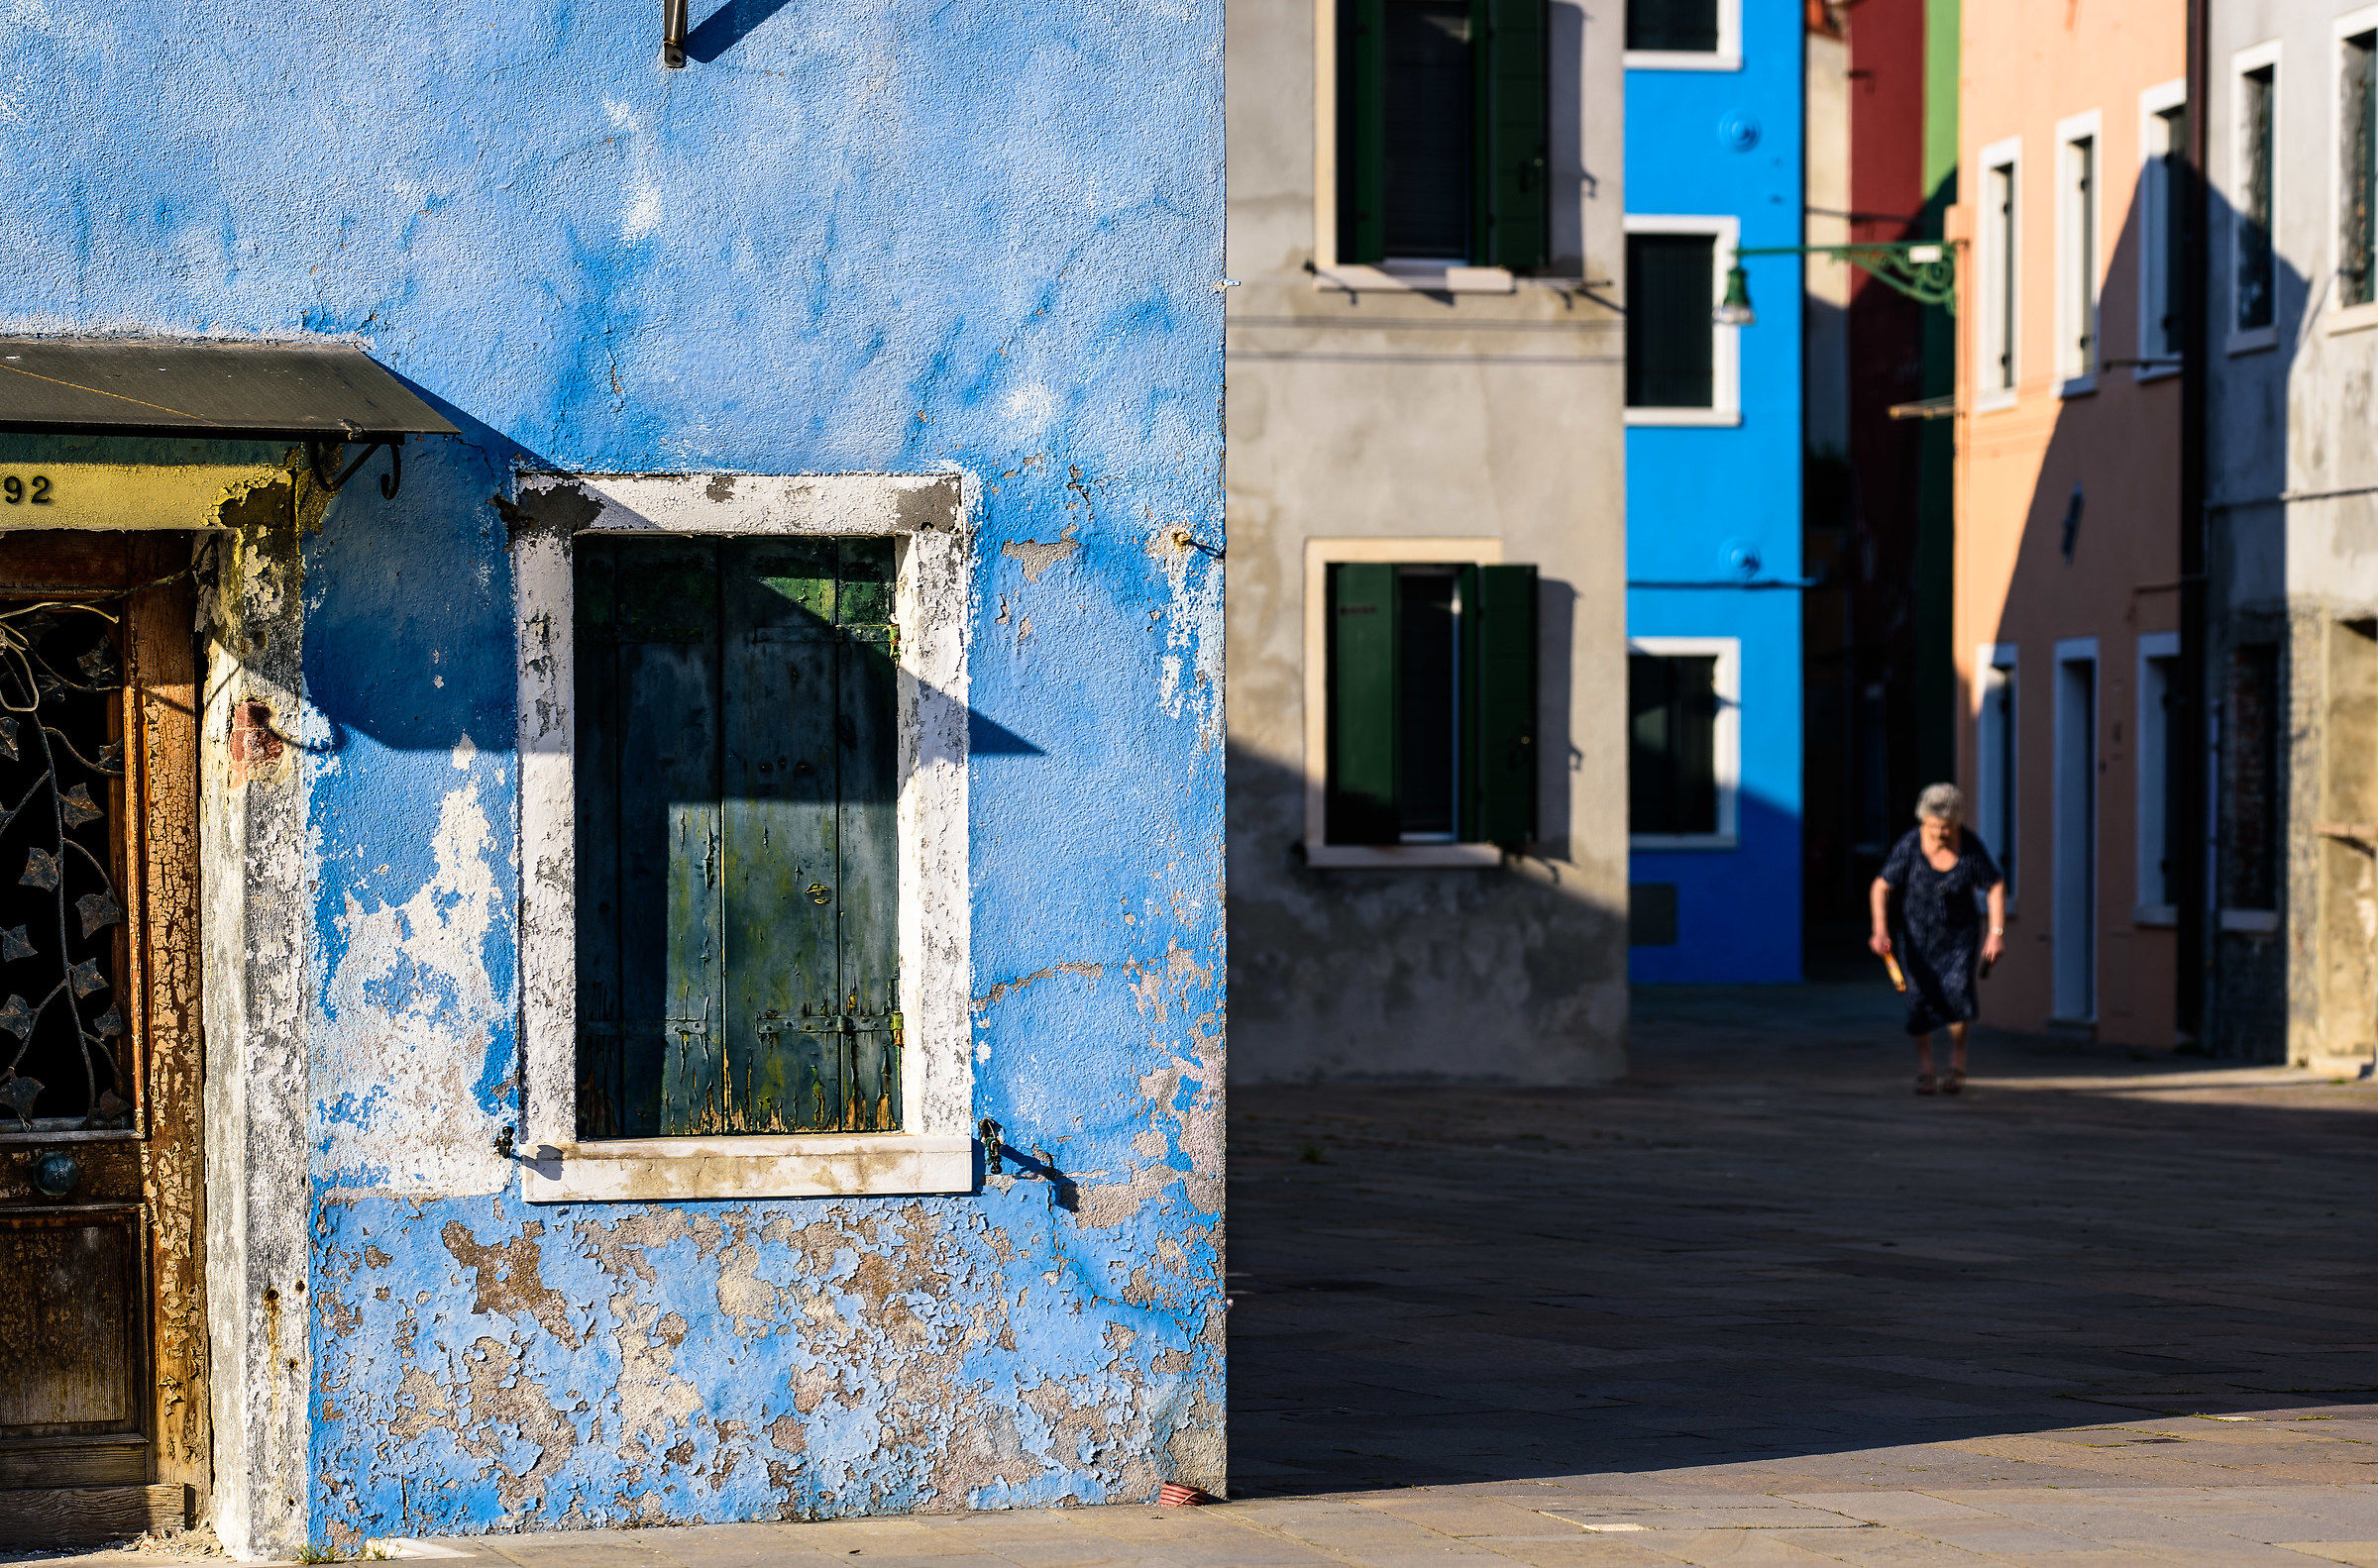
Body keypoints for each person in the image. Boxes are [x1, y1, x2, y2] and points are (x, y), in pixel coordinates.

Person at [1869, 783, 2006, 1096]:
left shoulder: (1970, 847)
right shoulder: (1909, 846)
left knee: (1957, 993)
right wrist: (1880, 930)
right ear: (1923, 821)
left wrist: (1996, 934)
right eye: (1932, 826)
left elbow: (1995, 885)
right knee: (1917, 999)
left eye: (1945, 827)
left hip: (1960, 936)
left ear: (1956, 822)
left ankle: (1957, 1059)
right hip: (1916, 937)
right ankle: (1925, 1067)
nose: (1939, 833)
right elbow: (1881, 886)